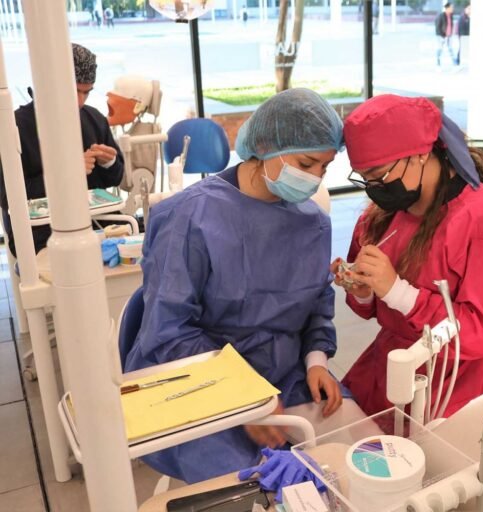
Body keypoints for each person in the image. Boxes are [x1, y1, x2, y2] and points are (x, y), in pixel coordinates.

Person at [124, 88, 351, 483]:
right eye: (305, 162)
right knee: (258, 489)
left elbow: (317, 300)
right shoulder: (189, 217)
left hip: (287, 376)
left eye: (325, 167)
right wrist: (244, 398)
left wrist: (317, 360)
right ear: (264, 145)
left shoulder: (313, 222)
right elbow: (168, 331)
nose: (314, 179)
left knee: (354, 463)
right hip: (198, 383)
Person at [333, 95, 483, 417]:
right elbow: (374, 312)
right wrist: (365, 291)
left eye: (379, 174)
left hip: (459, 380)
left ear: (421, 153)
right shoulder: (381, 216)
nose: (373, 188)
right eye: (363, 177)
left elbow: (479, 334)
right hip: (393, 363)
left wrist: (397, 291)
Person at [0, 43, 124, 256]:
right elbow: (7, 196)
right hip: (39, 232)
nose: (79, 101)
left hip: (97, 221)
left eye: (87, 92)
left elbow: (115, 178)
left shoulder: (93, 119)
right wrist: (67, 174)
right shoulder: (14, 127)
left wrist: (109, 163)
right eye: (74, 90)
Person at [435, 2, 458, 67]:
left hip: (449, 36)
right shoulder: (441, 15)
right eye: (451, 7)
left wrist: (451, 33)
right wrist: (442, 36)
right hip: (442, 36)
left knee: (450, 48)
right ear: (447, 8)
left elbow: (451, 25)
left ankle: (454, 62)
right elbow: (437, 27)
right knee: (440, 49)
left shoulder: (451, 15)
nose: (452, 9)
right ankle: (438, 61)